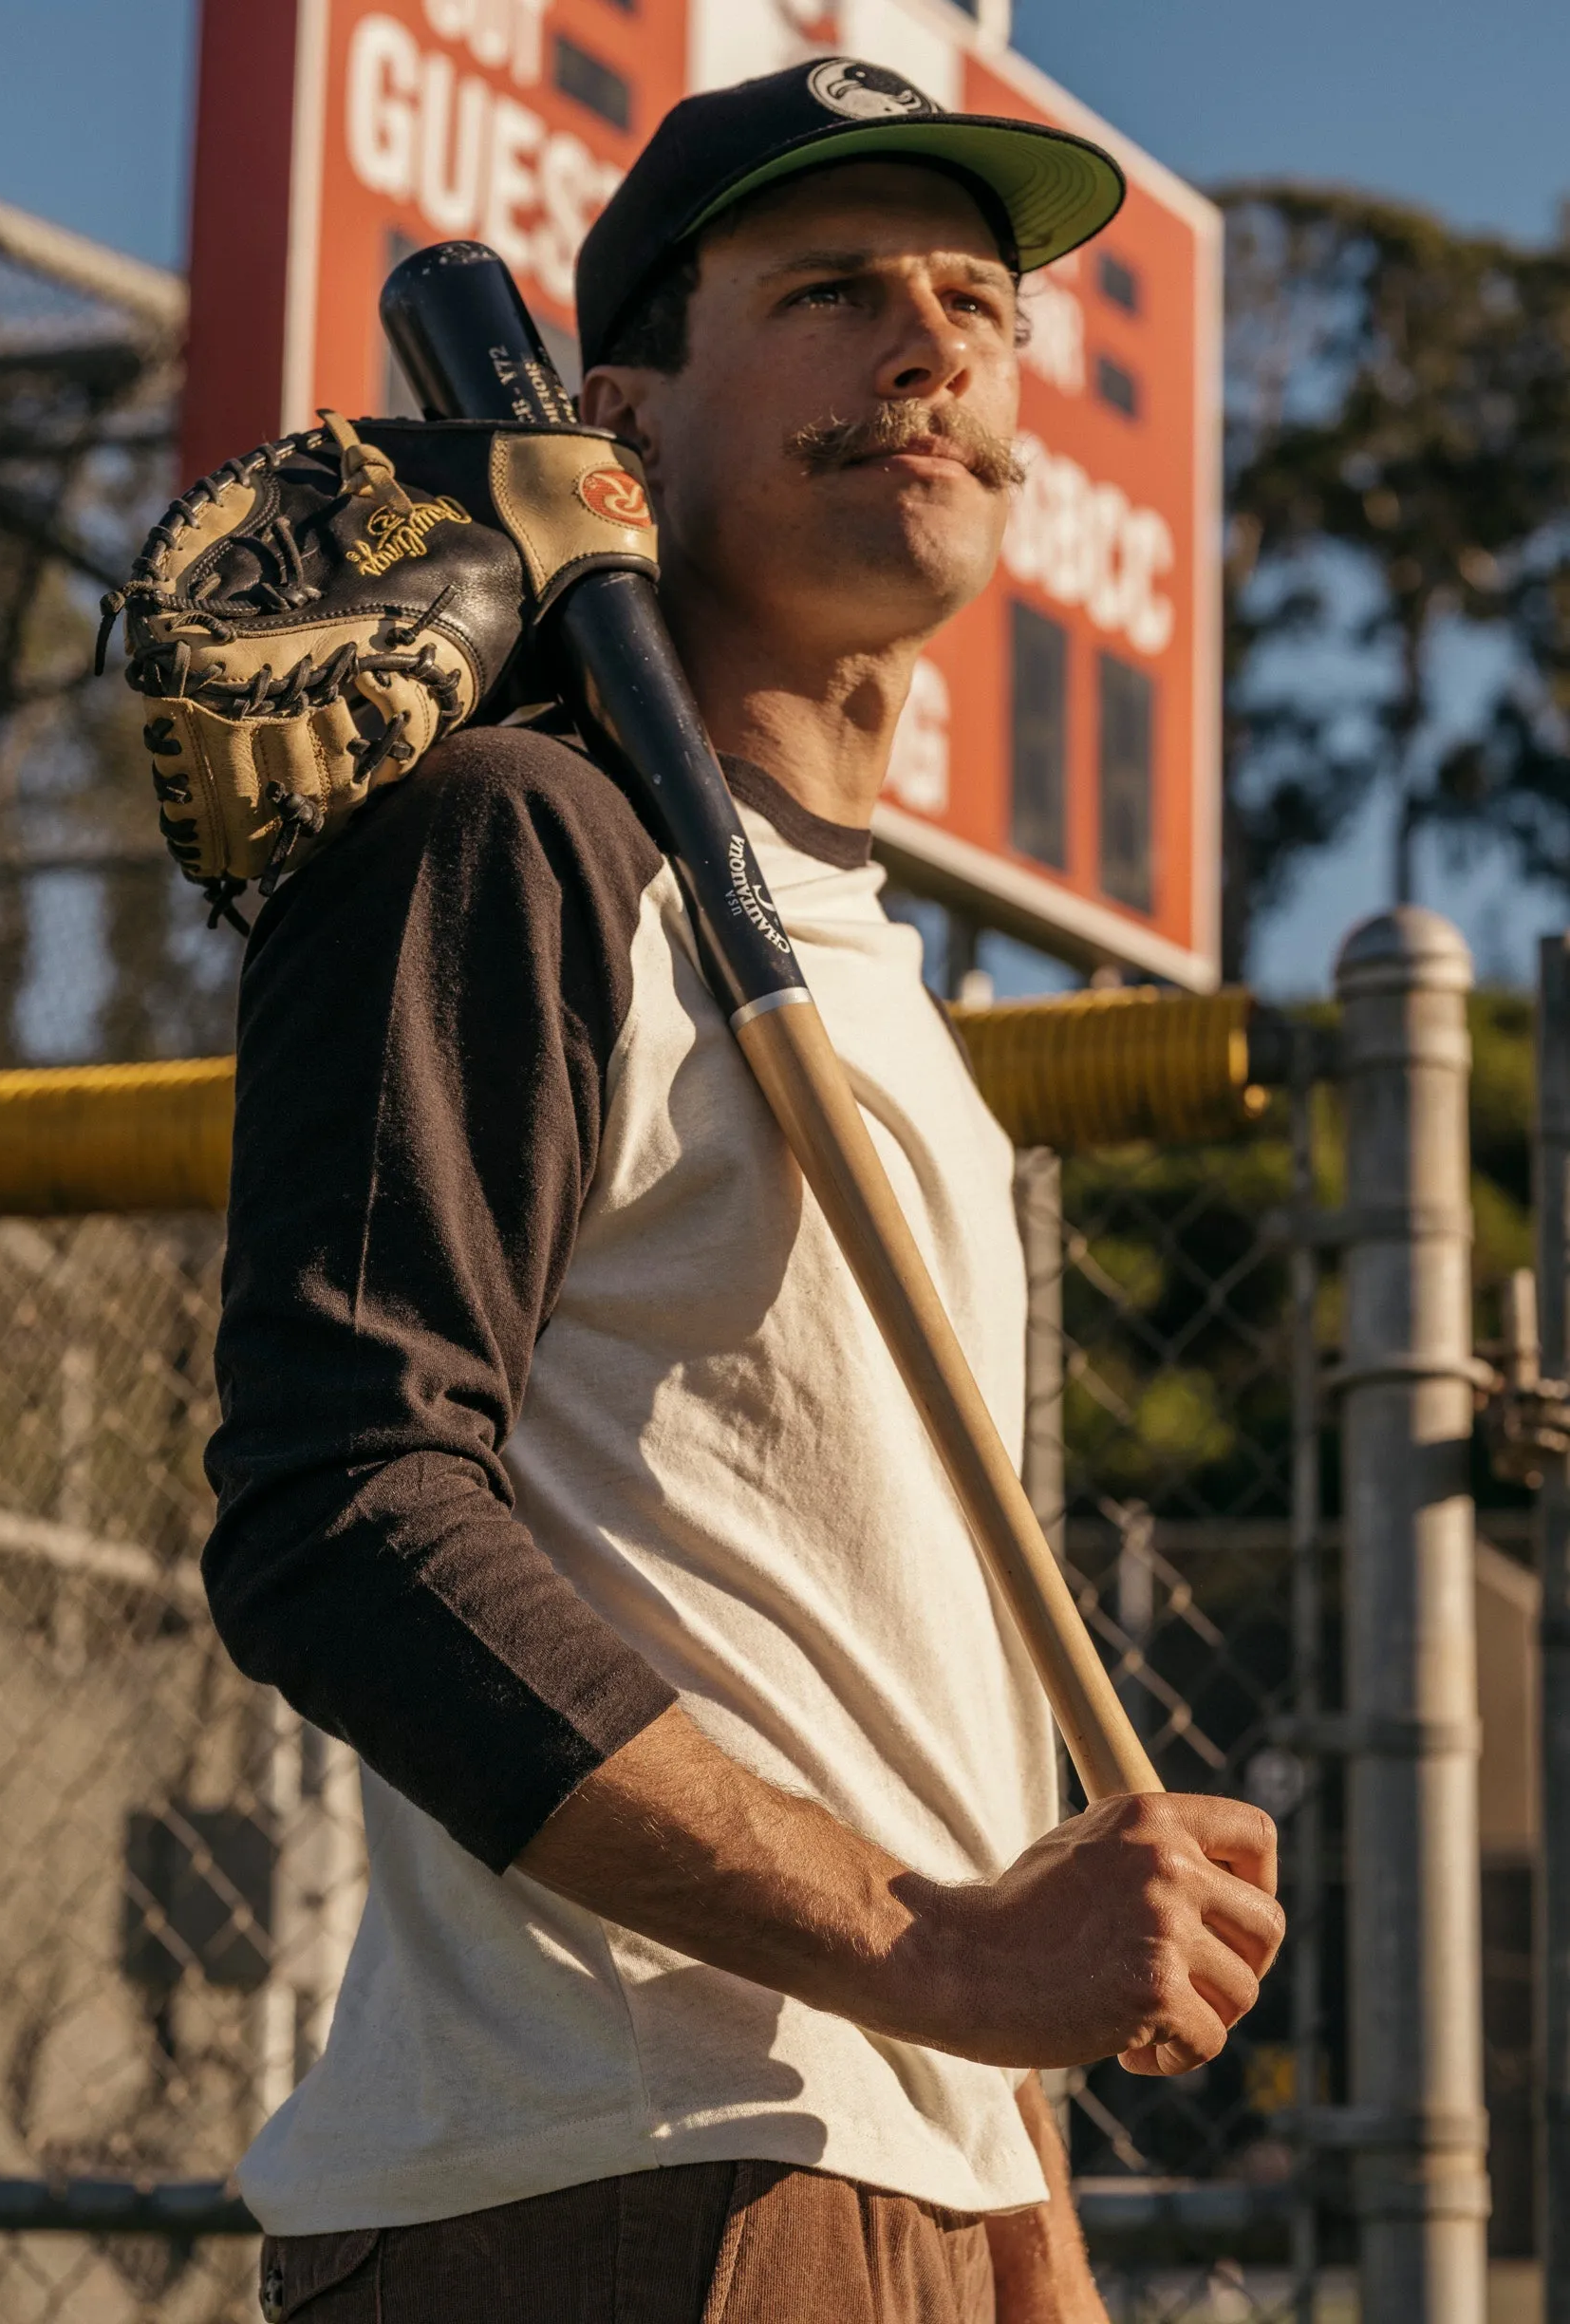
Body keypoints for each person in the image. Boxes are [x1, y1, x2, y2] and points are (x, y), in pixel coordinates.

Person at [204, 56, 1283, 2324]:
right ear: (620, 418)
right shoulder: (515, 834)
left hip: (906, 2195)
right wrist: (944, 1949)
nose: (932, 350)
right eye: (829, 295)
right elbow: (343, 1517)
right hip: (612, 2192)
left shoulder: (874, 981)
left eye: (977, 306)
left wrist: (1028, 2234)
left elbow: (902, 1712)